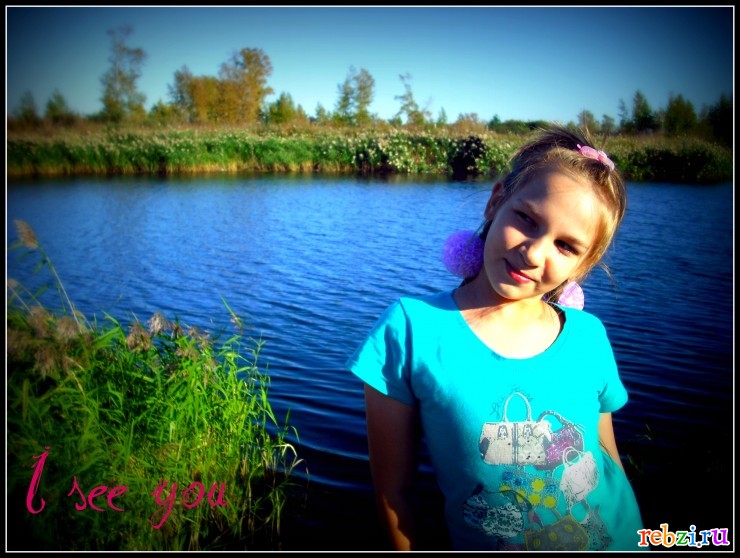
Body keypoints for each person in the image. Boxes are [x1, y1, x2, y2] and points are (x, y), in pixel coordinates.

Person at [346, 125, 645, 551]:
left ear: (583, 265)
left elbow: (606, 456)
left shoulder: (588, 337)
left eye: (565, 246)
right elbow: (393, 495)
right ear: (495, 200)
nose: (534, 253)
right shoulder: (411, 330)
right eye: (527, 219)